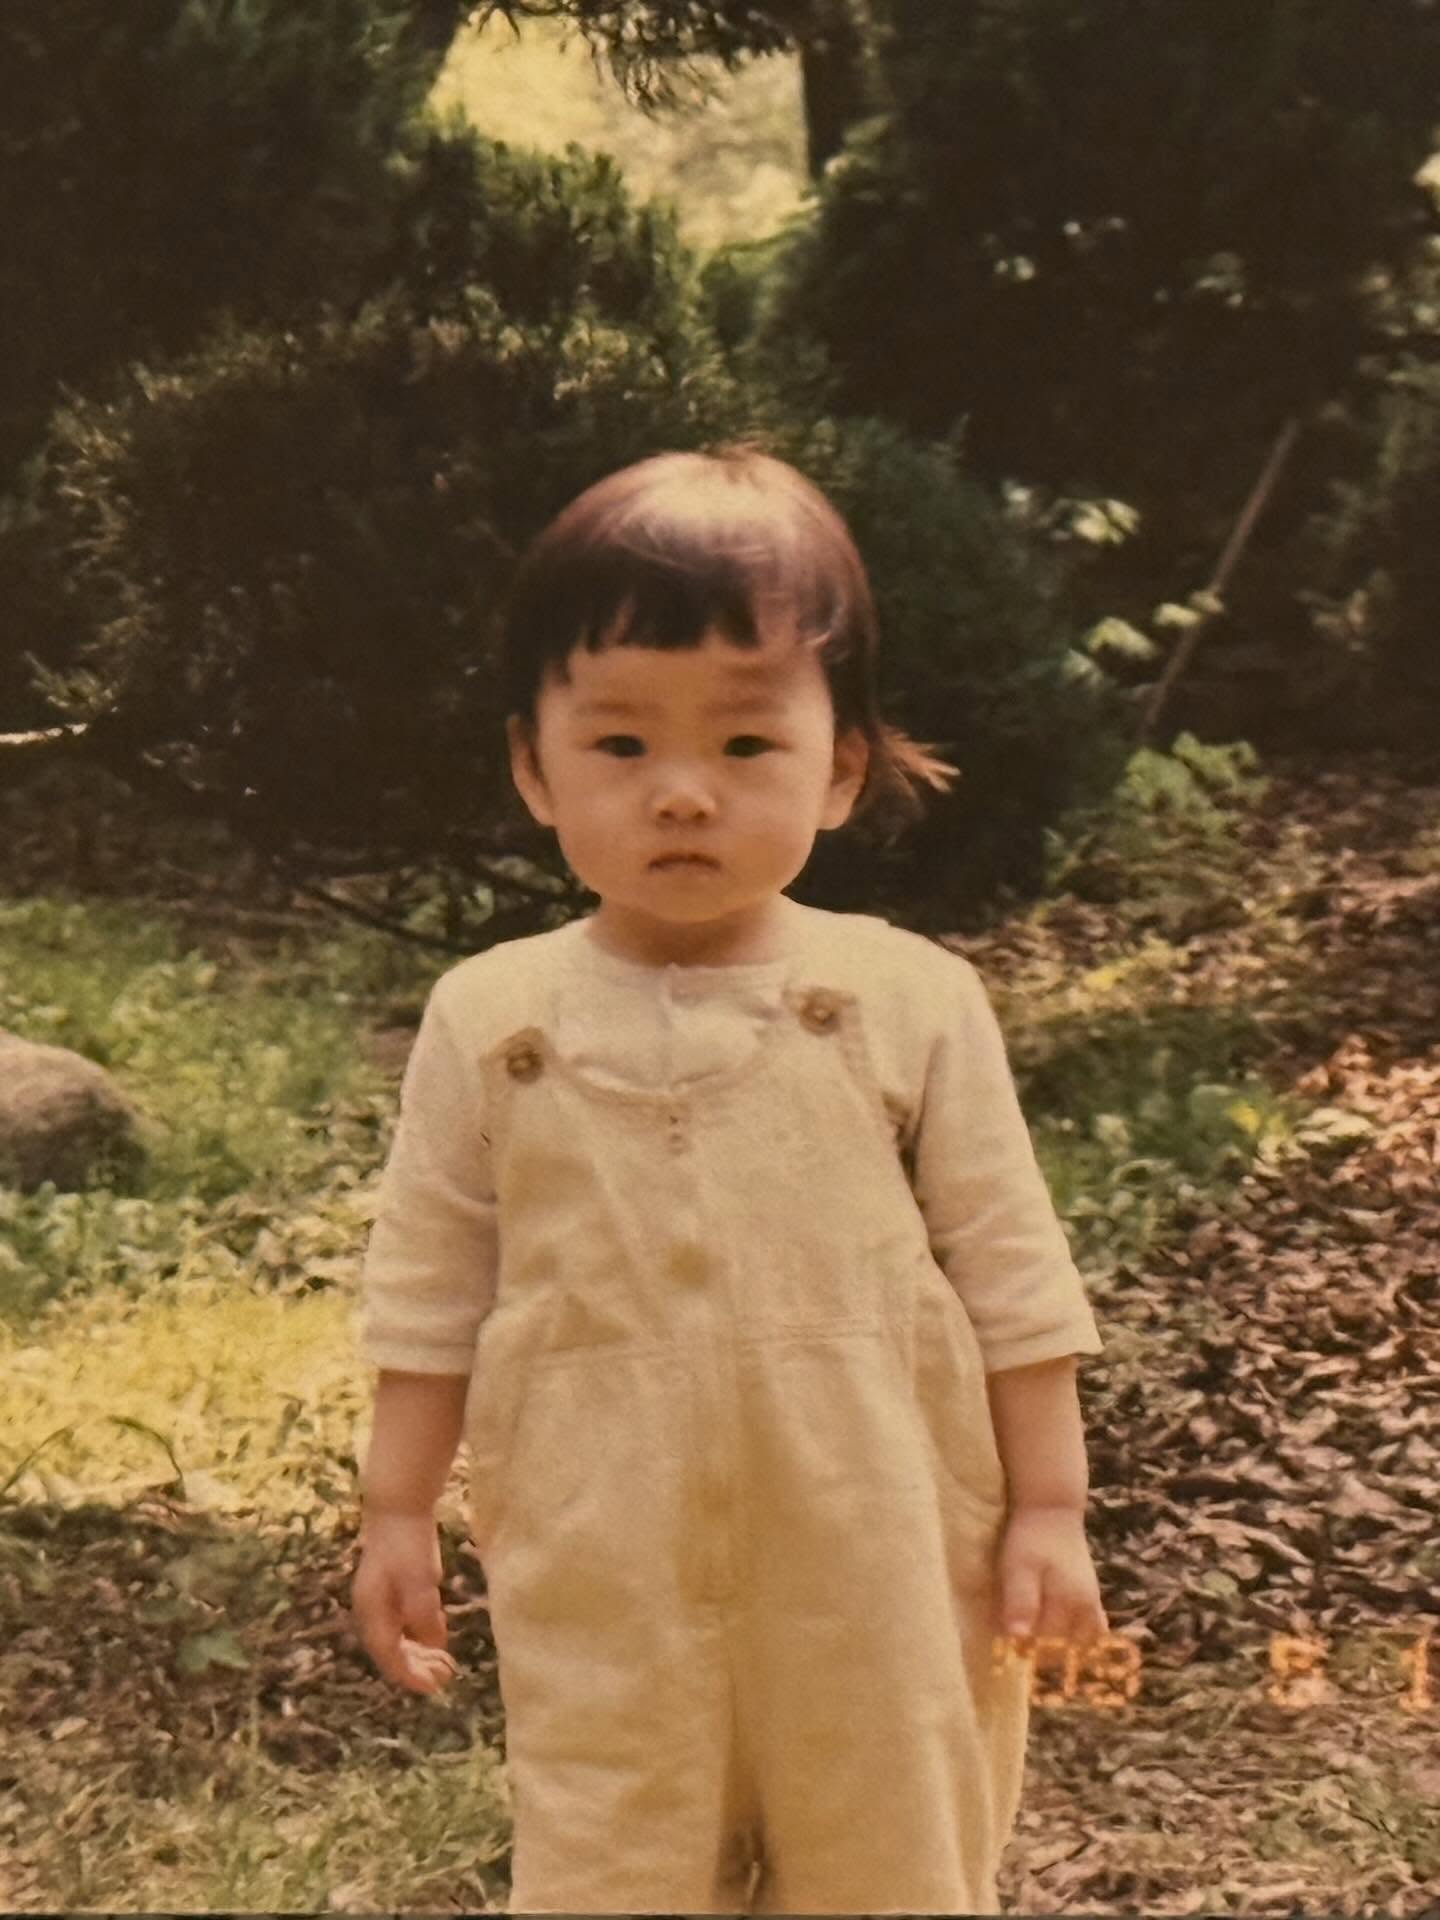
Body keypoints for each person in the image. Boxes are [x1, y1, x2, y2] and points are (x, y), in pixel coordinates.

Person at [350, 443, 1109, 1915]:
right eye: (622, 745)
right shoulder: (490, 1016)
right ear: (533, 767)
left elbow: (1014, 1272)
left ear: (842, 768)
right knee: (611, 1858)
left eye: (747, 744)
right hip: (600, 1554)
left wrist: (1051, 1509)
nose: (684, 794)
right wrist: (395, 1511)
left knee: (890, 1858)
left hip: (883, 1552)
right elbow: (428, 1290)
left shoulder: (910, 996)